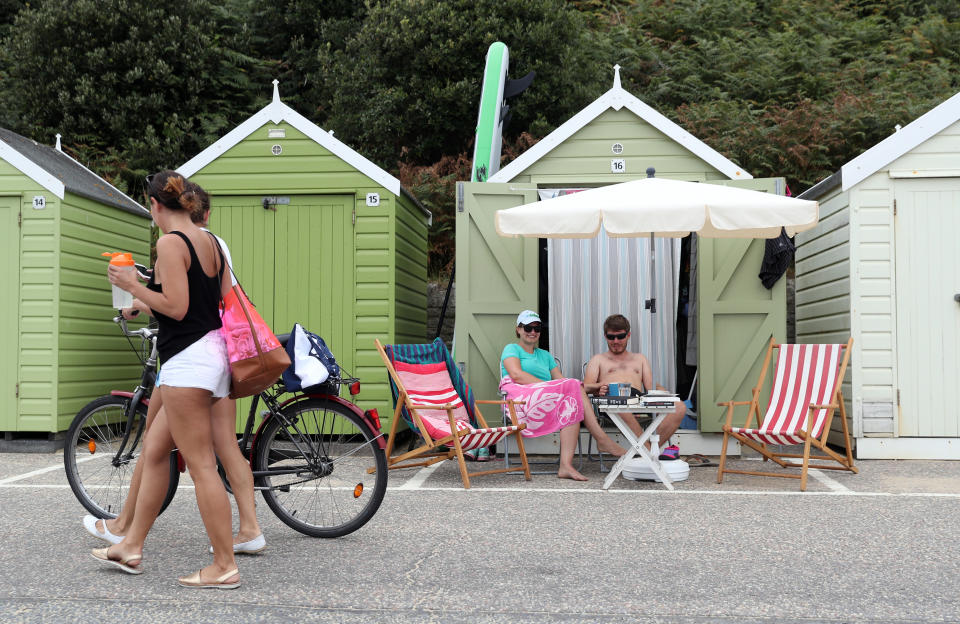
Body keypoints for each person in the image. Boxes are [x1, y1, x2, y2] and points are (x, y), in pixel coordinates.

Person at [83, 183, 264, 556]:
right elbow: (214, 298)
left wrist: (135, 286)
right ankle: (129, 542)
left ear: (154, 204)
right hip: (214, 352)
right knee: (156, 449)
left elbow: (179, 307)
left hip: (188, 359)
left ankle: (223, 564)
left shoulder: (170, 243)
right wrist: (149, 293)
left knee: (200, 466)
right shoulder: (212, 242)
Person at [499, 310, 625, 481]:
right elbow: (516, 375)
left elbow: (563, 382)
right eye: (528, 328)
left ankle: (566, 466)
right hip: (520, 400)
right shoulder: (511, 348)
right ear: (518, 330)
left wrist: (593, 387)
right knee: (571, 389)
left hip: (546, 398)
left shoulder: (545, 355)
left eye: (537, 328)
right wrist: (550, 386)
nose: (533, 332)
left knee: (571, 400)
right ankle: (601, 438)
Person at [583, 314, 686, 459]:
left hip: (639, 400)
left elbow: (651, 387)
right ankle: (650, 454)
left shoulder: (639, 358)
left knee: (680, 407)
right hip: (612, 400)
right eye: (611, 337)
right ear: (605, 336)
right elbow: (586, 387)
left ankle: (643, 452)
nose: (616, 341)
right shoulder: (598, 359)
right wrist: (599, 387)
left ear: (628, 335)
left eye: (620, 336)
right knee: (621, 403)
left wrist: (666, 393)